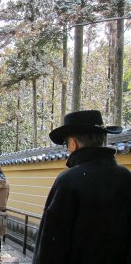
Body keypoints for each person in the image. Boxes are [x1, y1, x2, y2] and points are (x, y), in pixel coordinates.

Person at [33, 110, 131, 264]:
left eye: (66, 144)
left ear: (73, 143)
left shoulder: (68, 180)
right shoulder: (125, 176)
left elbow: (51, 244)